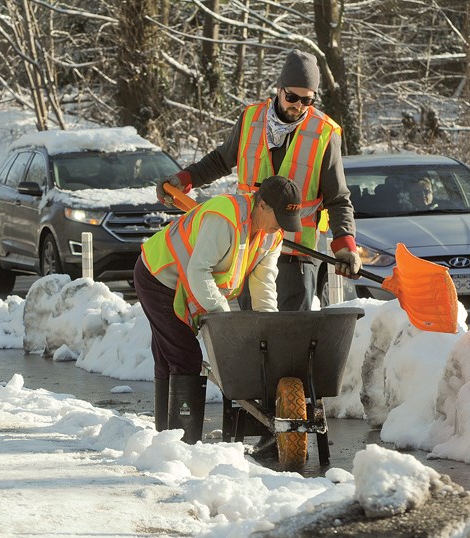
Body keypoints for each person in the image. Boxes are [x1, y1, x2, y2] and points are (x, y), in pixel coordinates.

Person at [156, 50, 361, 312]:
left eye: (307, 100)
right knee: (251, 328)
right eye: (292, 97)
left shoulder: (324, 133)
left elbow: (338, 198)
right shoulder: (251, 119)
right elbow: (220, 160)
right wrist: (183, 179)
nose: (298, 106)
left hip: (295, 252)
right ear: (279, 89)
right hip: (250, 245)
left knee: (290, 330)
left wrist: (345, 245)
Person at [135, 175, 303, 445]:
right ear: (262, 206)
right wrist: (224, 319)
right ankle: (180, 444)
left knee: (170, 356)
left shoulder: (272, 236)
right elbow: (199, 271)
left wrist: (270, 330)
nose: (280, 227)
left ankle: (165, 437)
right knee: (184, 357)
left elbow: (263, 285)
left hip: (187, 283)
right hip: (159, 277)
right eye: (278, 218)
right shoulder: (224, 218)